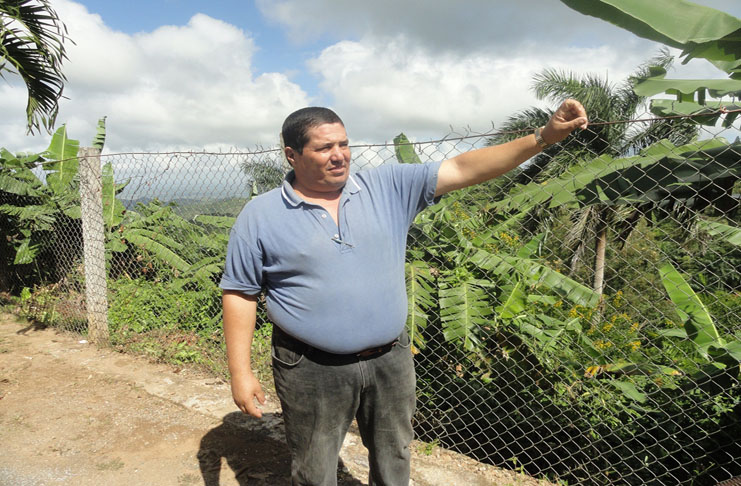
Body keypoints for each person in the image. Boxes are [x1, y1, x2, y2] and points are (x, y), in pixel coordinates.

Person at [220, 100, 588, 486]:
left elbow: (465, 167)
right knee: (315, 467)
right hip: (311, 368)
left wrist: (543, 137)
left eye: (344, 144)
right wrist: (240, 372)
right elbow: (240, 293)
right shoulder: (260, 215)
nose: (339, 156)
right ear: (292, 155)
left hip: (391, 360)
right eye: (324, 148)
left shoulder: (388, 186)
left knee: (395, 456)